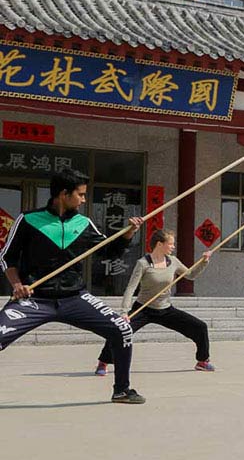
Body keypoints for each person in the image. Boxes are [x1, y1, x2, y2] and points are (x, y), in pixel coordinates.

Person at [0, 169, 145, 403]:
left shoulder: (83, 223)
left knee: (122, 329)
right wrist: (16, 284)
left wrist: (128, 234)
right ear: (63, 194)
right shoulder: (28, 220)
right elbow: (7, 257)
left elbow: (108, 251)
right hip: (34, 299)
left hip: (74, 298)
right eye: (81, 195)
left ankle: (122, 390)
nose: (84, 200)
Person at [94, 229, 214, 375]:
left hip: (165, 309)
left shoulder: (173, 262)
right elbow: (130, 288)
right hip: (143, 308)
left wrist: (204, 262)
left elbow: (190, 275)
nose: (173, 247)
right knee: (120, 329)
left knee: (200, 327)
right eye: (171, 244)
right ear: (159, 244)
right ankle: (103, 362)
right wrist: (124, 312)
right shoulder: (143, 263)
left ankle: (202, 361)